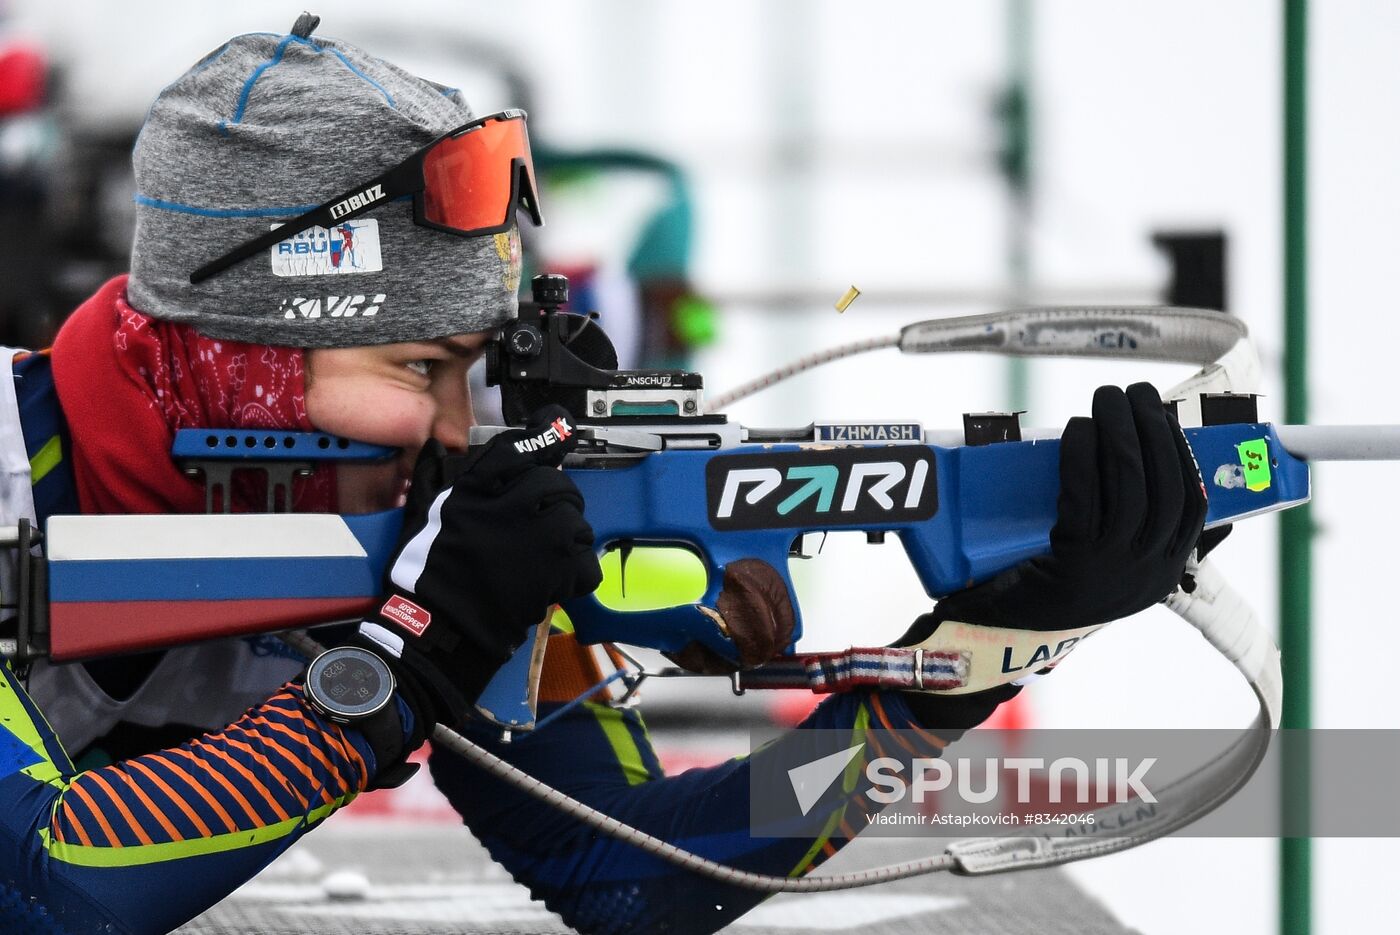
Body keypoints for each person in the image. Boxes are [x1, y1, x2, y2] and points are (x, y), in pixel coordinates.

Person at [0, 16, 1205, 935]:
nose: (456, 427)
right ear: (231, 359)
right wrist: (409, 663)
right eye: (416, 364)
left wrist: (962, 667)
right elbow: (56, 886)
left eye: (472, 370)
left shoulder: (399, 523)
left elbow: (636, 877)